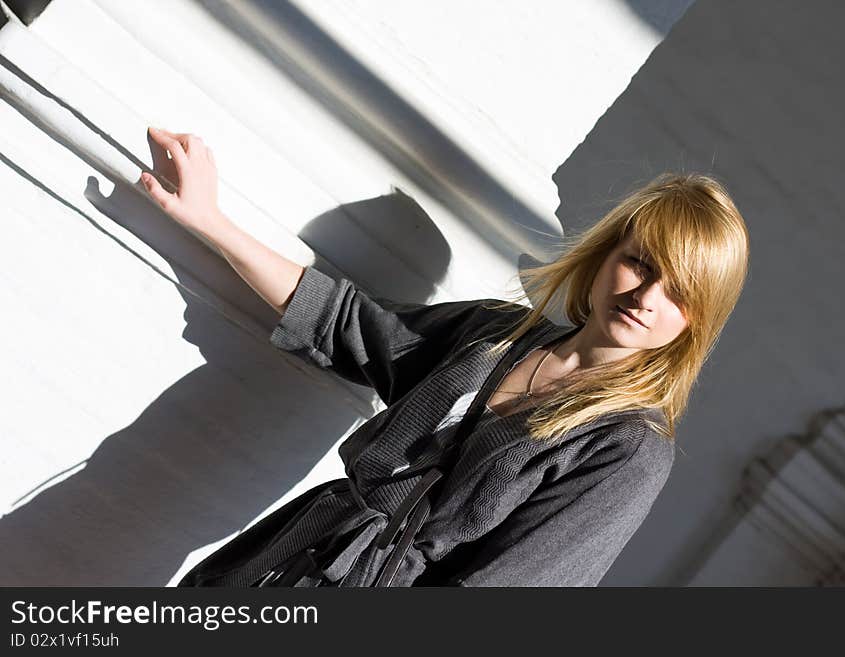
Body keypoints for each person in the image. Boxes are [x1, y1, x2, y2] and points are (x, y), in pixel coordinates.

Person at [140, 126, 749, 587]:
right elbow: (345, 322)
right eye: (640, 264)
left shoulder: (628, 450)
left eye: (680, 291)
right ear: (605, 255)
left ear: (698, 320)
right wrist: (210, 223)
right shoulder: (496, 334)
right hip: (291, 548)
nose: (646, 297)